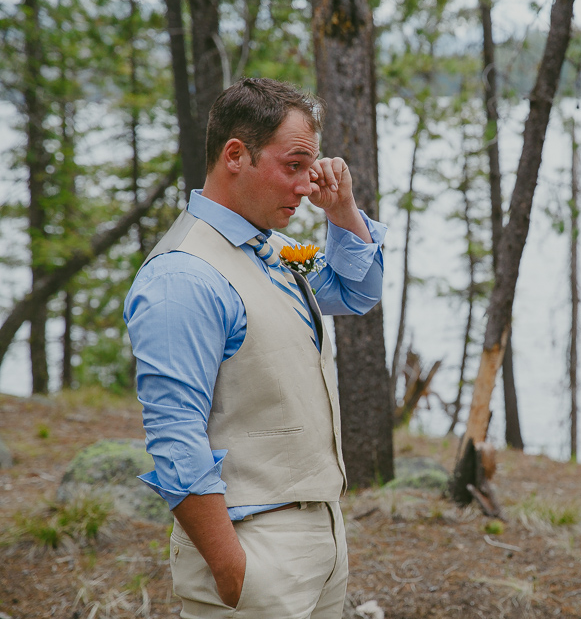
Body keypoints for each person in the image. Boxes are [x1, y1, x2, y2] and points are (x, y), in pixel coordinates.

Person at [123, 78, 386, 618]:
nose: (305, 187)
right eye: (293, 166)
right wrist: (230, 567)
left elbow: (359, 294)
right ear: (235, 156)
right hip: (254, 547)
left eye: (310, 170)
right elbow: (175, 433)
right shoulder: (184, 275)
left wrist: (341, 213)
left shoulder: (277, 250)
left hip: (322, 538)